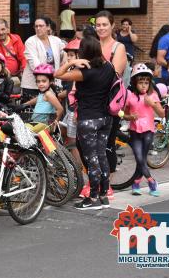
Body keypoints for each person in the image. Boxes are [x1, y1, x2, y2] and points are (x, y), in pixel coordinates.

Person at [55, 35, 116, 210]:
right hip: (106, 118)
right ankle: (103, 194)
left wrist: (72, 63)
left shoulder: (84, 72)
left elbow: (57, 74)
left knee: (91, 158)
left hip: (88, 119)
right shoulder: (109, 67)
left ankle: (93, 198)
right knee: (101, 155)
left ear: (84, 52)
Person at [95, 10, 128, 199]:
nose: (101, 28)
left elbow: (113, 74)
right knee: (90, 146)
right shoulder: (92, 44)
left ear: (112, 25)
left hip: (110, 102)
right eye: (98, 25)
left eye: (104, 24)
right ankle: (95, 182)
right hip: (92, 101)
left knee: (107, 144)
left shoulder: (119, 47)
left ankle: (106, 185)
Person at [123, 64, 164, 196]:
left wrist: (152, 104)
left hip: (148, 131)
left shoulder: (153, 95)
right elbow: (122, 113)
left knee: (142, 159)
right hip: (134, 132)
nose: (144, 85)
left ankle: (136, 183)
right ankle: (152, 181)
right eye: (141, 82)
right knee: (139, 158)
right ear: (135, 82)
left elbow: (162, 113)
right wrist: (129, 116)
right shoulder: (130, 96)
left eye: (146, 82)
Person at [20, 17, 66, 102]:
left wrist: (64, 61)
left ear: (48, 27)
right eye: (36, 26)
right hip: (34, 85)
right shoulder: (30, 41)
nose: (38, 28)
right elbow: (35, 65)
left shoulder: (55, 40)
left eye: (41, 26)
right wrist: (49, 78)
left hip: (53, 83)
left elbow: (64, 52)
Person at [60, 39, 82, 165]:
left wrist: (77, 112)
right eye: (68, 55)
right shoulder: (73, 69)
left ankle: (78, 170)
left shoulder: (78, 72)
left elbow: (78, 93)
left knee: (73, 143)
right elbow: (69, 91)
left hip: (75, 111)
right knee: (65, 135)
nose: (68, 58)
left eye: (72, 55)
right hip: (70, 110)